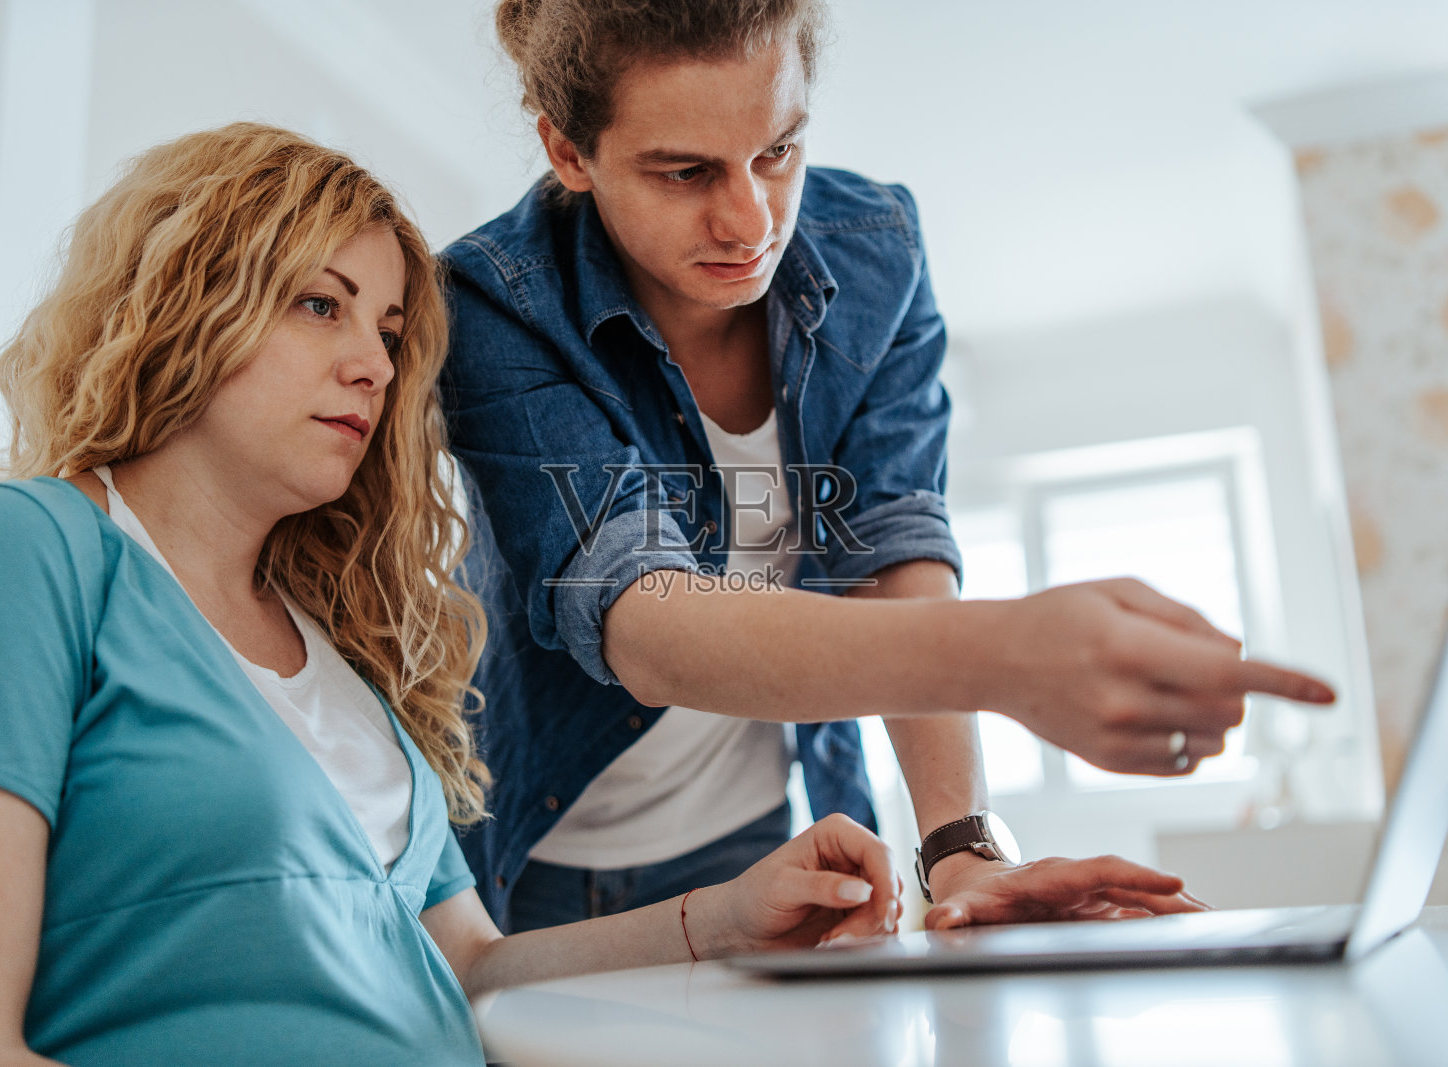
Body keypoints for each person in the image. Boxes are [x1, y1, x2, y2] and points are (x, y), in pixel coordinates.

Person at [0, 123, 904, 1067]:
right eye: (319, 304)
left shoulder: (339, 653)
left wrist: (727, 915)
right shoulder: (20, 549)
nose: (374, 365)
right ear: (185, 296)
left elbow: (470, 969)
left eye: (389, 330)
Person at [441, 0, 1336, 934]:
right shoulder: (493, 304)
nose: (750, 220)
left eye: (778, 151)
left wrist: (963, 849)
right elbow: (644, 624)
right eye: (686, 171)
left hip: (755, 835)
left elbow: (891, 548)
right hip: (531, 846)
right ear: (569, 151)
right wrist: (1008, 655)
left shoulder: (878, 250)